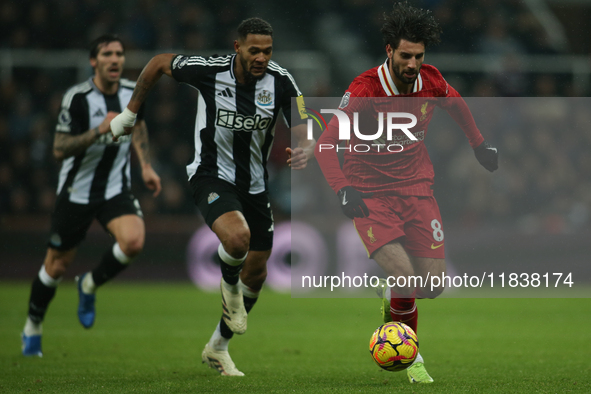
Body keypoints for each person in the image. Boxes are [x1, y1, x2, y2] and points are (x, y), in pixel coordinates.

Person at [110, 17, 314, 376]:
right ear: (238, 48)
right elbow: (159, 62)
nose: (261, 57)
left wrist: (306, 145)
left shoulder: (280, 80)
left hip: (254, 183)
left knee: (258, 272)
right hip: (210, 175)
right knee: (238, 239)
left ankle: (218, 347)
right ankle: (228, 283)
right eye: (254, 50)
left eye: (267, 51)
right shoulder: (209, 70)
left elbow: (301, 119)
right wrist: (130, 113)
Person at [314, 2, 498, 384]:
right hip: (370, 195)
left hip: (417, 191)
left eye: (418, 56)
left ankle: (393, 302)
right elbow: (326, 145)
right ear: (389, 52)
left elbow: (456, 104)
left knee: (431, 285)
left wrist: (479, 145)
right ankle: (412, 359)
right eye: (405, 55)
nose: (412, 63)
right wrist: (343, 188)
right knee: (403, 274)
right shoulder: (364, 89)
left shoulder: (430, 79)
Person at [21, 34, 161, 357]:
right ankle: (33, 324)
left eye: (120, 54)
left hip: (115, 189)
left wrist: (146, 166)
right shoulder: (78, 98)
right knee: (55, 267)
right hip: (77, 192)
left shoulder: (131, 92)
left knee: (134, 242)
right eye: (107, 54)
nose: (115, 60)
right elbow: (59, 148)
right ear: (93, 62)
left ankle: (89, 284)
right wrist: (99, 130)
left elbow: (137, 125)